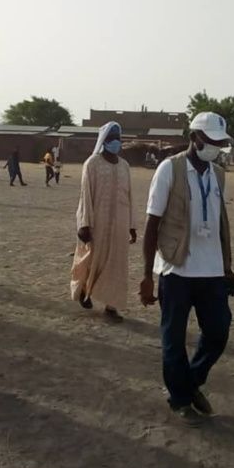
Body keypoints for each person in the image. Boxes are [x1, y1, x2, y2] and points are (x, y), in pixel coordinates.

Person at [140, 112, 234, 426]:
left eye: (220, 143)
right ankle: (180, 398)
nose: (215, 147)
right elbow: (152, 223)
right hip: (176, 268)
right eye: (210, 141)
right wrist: (146, 275)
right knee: (173, 339)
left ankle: (190, 382)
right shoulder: (169, 169)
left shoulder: (218, 174)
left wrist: (226, 267)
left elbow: (219, 221)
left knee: (218, 331)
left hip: (211, 270)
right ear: (194, 137)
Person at [70, 122, 137, 322]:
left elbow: (130, 195)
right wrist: (84, 223)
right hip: (96, 222)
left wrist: (132, 225)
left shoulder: (125, 166)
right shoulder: (92, 163)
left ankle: (111, 305)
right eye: (111, 138)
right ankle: (83, 289)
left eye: (118, 137)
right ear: (104, 141)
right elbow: (85, 195)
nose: (115, 142)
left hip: (120, 224)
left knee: (117, 264)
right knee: (92, 259)